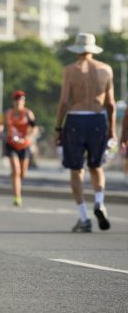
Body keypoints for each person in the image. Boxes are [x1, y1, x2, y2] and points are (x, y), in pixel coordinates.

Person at [55, 32, 116, 233]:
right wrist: (112, 131)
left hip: (76, 120)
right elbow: (111, 104)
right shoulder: (105, 69)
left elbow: (64, 102)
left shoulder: (70, 70)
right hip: (98, 119)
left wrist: (58, 127)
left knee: (76, 169)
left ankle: (84, 217)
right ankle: (99, 201)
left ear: (77, 49)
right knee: (96, 165)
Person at [0, 90, 36, 207]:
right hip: (11, 145)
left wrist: (27, 137)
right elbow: (1, 124)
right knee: (16, 171)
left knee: (22, 173)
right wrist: (0, 131)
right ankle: (17, 197)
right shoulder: (8, 113)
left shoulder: (28, 113)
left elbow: (34, 128)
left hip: (24, 146)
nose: (19, 102)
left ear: (24, 101)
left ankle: (16, 179)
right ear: (13, 102)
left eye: (21, 99)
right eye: (17, 99)